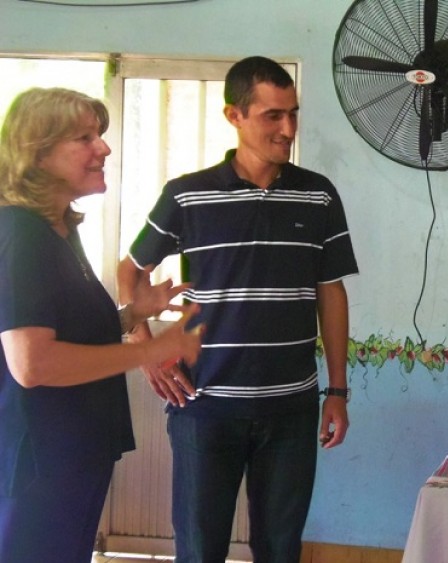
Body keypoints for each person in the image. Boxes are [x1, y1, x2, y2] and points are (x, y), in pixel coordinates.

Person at [117, 56, 359, 563]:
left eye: (293, 114)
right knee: (199, 549)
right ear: (235, 115)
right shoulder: (187, 196)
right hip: (205, 407)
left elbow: (330, 292)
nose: (288, 129)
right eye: (273, 116)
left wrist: (337, 391)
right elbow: (131, 271)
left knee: (280, 549)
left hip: (291, 408)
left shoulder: (318, 195)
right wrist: (144, 351)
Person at [0, 87, 203, 563]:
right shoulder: (22, 234)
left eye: (100, 135)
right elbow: (33, 364)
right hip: (39, 461)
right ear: (38, 153)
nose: (105, 148)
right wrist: (149, 351)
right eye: (85, 138)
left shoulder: (59, 230)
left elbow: (67, 333)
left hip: (74, 451)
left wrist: (134, 315)